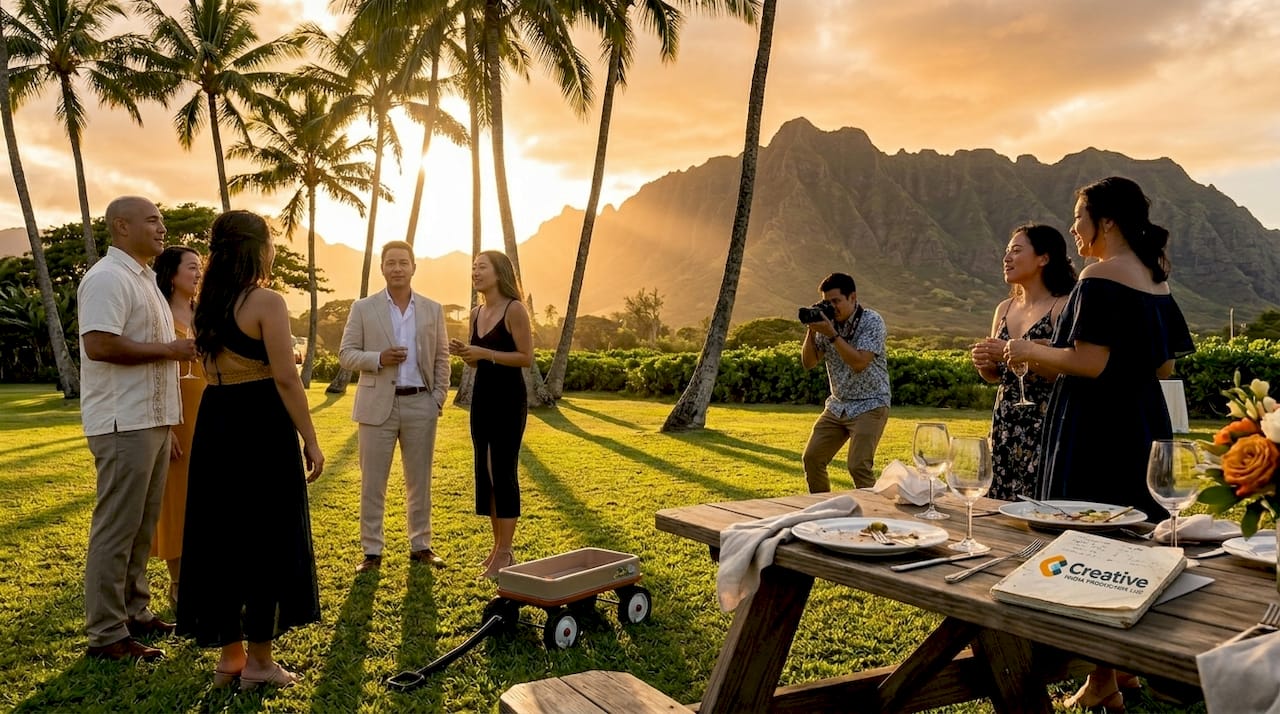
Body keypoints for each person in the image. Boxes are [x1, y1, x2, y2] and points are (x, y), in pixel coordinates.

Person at [1006, 176, 1195, 712]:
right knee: (1128, 543)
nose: (1073, 228)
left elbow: (1089, 362)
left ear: (1105, 221)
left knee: (1089, 544)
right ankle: (1118, 671)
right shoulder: (1156, 280)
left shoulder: (1099, 276)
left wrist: (1026, 349)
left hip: (1095, 425)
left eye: (1079, 217)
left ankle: (1102, 679)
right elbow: (1164, 366)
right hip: (1143, 419)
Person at [177, 210, 324, 690]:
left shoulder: (205, 303)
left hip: (216, 421)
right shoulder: (266, 301)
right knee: (266, 538)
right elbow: (286, 377)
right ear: (258, 248)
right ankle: (260, 663)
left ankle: (231, 659)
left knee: (222, 538)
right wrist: (311, 438)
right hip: (261, 425)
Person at [78, 196, 196, 660]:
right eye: (152, 220)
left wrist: (168, 422)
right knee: (117, 528)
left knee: (142, 527)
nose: (162, 227)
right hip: (122, 420)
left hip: (151, 420)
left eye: (161, 220)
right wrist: (170, 350)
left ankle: (135, 611)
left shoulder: (144, 279)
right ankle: (107, 633)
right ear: (121, 226)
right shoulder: (107, 278)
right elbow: (99, 345)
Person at [339, 240, 451, 574]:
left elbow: (442, 357)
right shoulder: (363, 308)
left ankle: (421, 546)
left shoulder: (432, 309)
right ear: (382, 268)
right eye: (391, 262)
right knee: (373, 482)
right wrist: (379, 358)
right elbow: (346, 354)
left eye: (403, 262)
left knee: (420, 480)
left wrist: (437, 398)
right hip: (376, 406)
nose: (397, 268)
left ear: (414, 267)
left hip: (421, 403)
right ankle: (371, 551)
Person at [970, 224, 1076, 500]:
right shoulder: (1003, 309)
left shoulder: (1062, 307)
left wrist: (1020, 353)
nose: (1007, 258)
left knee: (1040, 502)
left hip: (1045, 419)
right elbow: (996, 375)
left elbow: (1067, 369)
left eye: (1016, 251)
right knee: (999, 502)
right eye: (1007, 251)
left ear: (1044, 258)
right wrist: (985, 363)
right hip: (1005, 420)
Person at [448, 250, 532, 580]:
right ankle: (498, 549)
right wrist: (466, 353)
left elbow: (525, 357)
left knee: (503, 472)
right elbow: (476, 361)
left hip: (509, 400)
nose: (475, 272)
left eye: (482, 267)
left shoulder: (515, 309)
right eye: (473, 267)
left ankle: (506, 552)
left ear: (499, 273)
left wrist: (485, 352)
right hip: (482, 399)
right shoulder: (475, 313)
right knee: (486, 473)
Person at [150, 245, 206, 608]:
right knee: (176, 498)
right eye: (191, 267)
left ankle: (207, 577)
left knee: (207, 497)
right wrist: (165, 426)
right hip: (177, 415)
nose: (198, 273)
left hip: (210, 411)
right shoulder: (157, 313)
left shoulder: (206, 312)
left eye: (200, 267)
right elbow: (154, 372)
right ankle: (178, 582)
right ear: (171, 274)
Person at [800, 272, 891, 492]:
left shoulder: (871, 321)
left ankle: (874, 511)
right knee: (812, 458)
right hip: (838, 405)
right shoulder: (827, 324)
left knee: (858, 466)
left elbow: (859, 363)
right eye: (827, 302)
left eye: (836, 301)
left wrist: (832, 334)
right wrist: (812, 330)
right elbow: (809, 362)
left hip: (870, 403)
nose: (832, 307)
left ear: (852, 297)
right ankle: (824, 509)